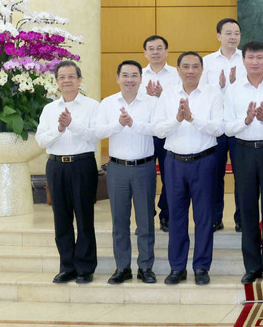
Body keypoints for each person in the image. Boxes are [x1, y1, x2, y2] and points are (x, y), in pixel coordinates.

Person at [153, 52, 224, 286]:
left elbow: (218, 129)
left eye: (195, 66)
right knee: (177, 217)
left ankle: (202, 267)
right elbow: (159, 130)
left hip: (204, 162)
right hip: (174, 163)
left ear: (202, 70)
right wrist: (178, 119)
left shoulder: (213, 93)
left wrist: (192, 118)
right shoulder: (168, 95)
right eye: (186, 66)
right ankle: (177, 268)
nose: (191, 70)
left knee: (204, 217)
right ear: (178, 69)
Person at [224, 41, 263, 284]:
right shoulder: (233, 89)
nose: (255, 62)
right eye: (250, 57)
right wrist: (247, 120)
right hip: (243, 152)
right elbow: (228, 128)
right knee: (248, 209)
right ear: (243, 60)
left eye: (259, 57)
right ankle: (251, 266)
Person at [94, 60, 158, 284]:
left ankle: (145, 267)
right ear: (117, 78)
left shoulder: (152, 103)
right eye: (125, 75)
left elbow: (158, 129)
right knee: (119, 221)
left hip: (144, 168)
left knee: (145, 221)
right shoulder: (108, 103)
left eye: (134, 75)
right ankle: (122, 267)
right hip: (117, 169)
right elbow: (98, 131)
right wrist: (119, 124)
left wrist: (134, 123)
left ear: (141, 78)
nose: (130, 79)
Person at [36, 61, 99, 284]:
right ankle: (67, 266)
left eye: (71, 76)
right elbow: (41, 140)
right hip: (56, 166)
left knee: (84, 217)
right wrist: (60, 128)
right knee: (61, 218)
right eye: (62, 77)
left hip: (82, 165)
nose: (67, 81)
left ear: (79, 80)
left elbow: (94, 135)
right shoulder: (49, 109)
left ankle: (85, 267)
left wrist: (72, 125)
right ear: (57, 82)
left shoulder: (92, 106)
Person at [201, 18, 243, 233]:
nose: (232, 37)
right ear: (218, 35)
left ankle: (241, 219)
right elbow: (201, 94)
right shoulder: (207, 62)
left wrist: (235, 86)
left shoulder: (247, 60)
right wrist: (220, 86)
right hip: (215, 127)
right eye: (228, 33)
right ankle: (215, 218)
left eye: (236, 33)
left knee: (242, 176)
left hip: (239, 127)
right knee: (214, 175)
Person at [140, 34, 180, 233]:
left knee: (169, 176)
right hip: (145, 134)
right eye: (151, 48)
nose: (155, 52)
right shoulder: (136, 75)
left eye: (159, 48)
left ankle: (167, 215)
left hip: (168, 133)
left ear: (167, 51)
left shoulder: (176, 74)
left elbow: (181, 103)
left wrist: (161, 95)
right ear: (145, 53)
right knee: (145, 178)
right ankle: (146, 217)